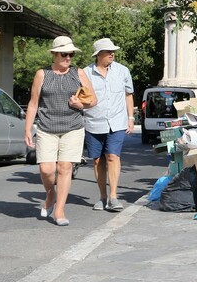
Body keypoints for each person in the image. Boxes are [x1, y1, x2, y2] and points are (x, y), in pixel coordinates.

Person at [25, 36, 97, 227]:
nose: (68, 57)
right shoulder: (42, 74)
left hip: (72, 127)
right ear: (55, 54)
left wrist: (80, 103)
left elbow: (93, 100)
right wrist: (27, 128)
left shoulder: (78, 73)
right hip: (46, 128)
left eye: (71, 54)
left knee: (64, 168)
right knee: (46, 169)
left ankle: (59, 210)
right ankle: (51, 194)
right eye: (64, 54)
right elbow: (33, 103)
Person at [83, 38, 134, 212]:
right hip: (93, 122)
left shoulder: (122, 71)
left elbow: (128, 95)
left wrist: (131, 118)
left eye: (113, 51)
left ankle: (113, 197)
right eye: (108, 51)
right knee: (98, 160)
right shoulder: (85, 73)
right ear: (98, 55)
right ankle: (102, 196)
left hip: (117, 122)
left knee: (113, 156)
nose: (112, 54)